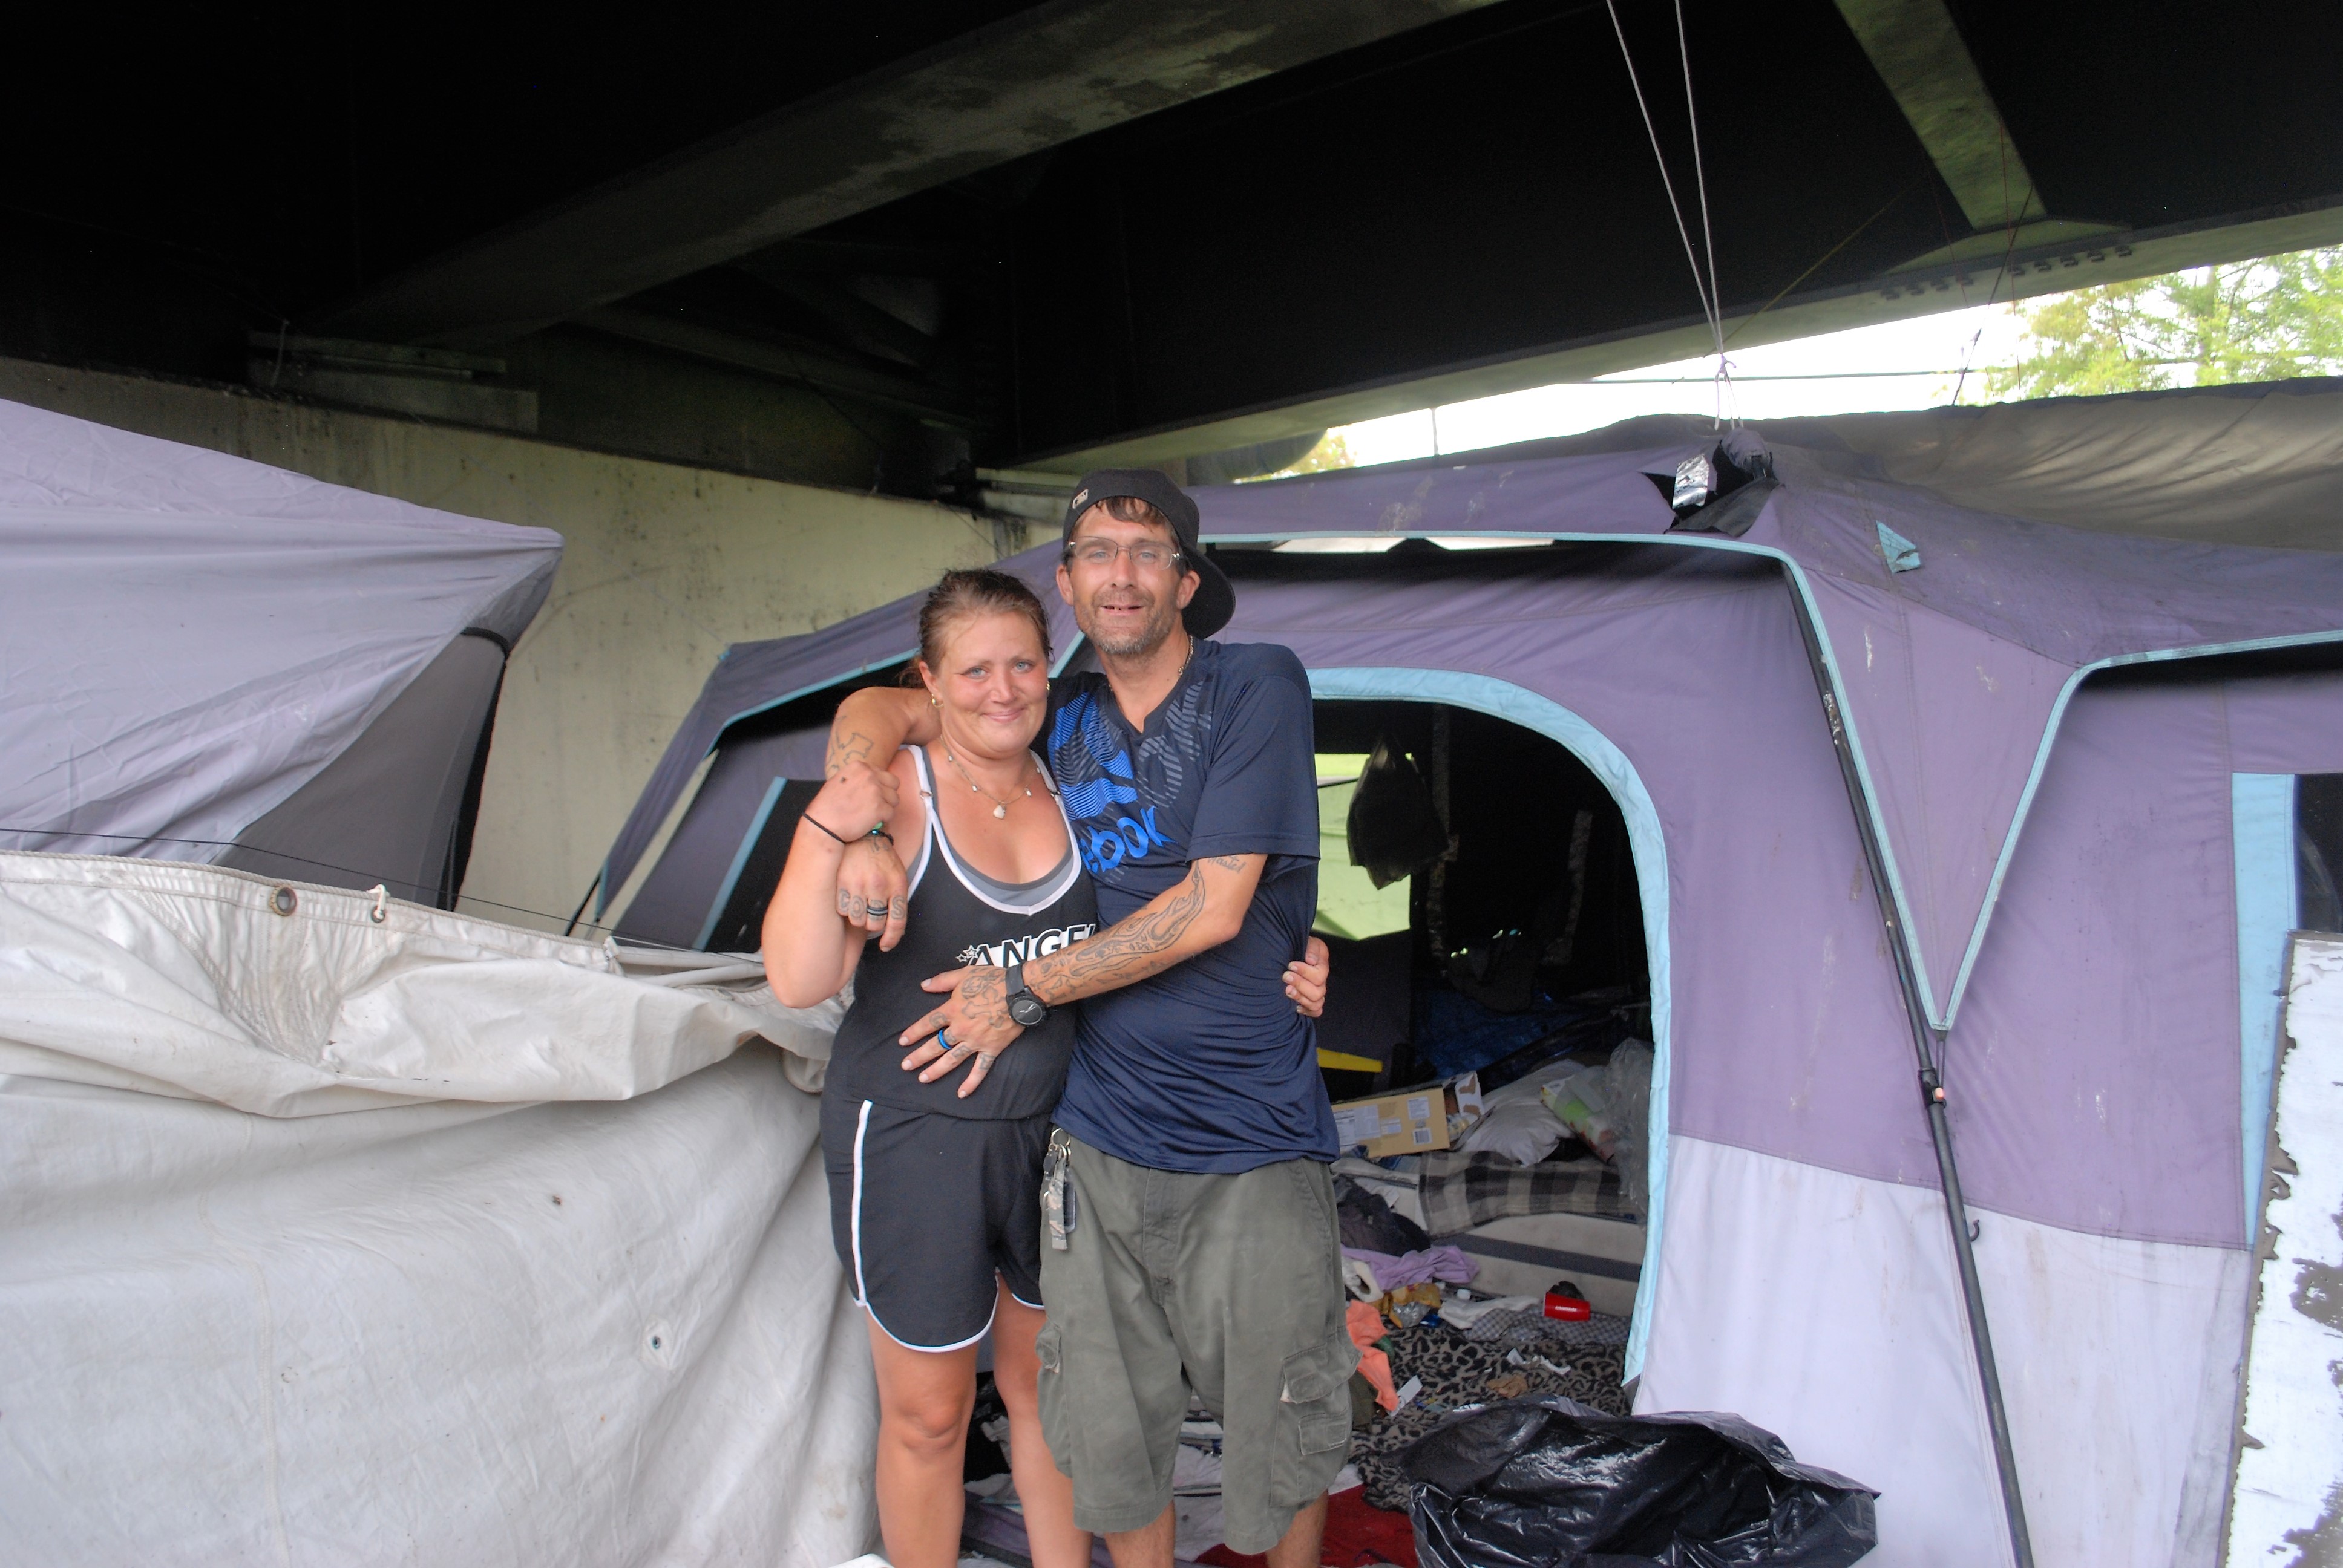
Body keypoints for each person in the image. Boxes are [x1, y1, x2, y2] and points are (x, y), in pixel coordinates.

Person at [824, 471, 1354, 1568]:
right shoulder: (1044, 718)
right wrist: (860, 814)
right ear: (1066, 584)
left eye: (1148, 550)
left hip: (1251, 1137)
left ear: (1185, 579)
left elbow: (1214, 905)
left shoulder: (1256, 683)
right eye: (1097, 552)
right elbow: (882, 709)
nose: (1122, 572)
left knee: (1282, 1432)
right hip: (1096, 1143)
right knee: (1111, 1442)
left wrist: (1022, 991)